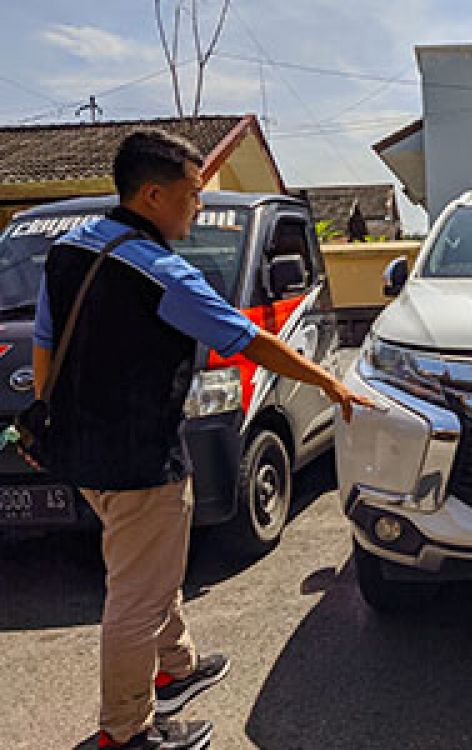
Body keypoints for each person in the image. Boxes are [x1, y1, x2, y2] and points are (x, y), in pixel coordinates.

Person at [32, 129, 375, 749]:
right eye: (193, 193)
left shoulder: (69, 250)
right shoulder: (161, 271)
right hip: (137, 455)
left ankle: (176, 666)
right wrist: (331, 381)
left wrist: (57, 416)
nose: (198, 205)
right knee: (138, 592)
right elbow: (247, 339)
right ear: (154, 194)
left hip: (81, 449)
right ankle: (126, 728)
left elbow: (44, 346)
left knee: (148, 566)